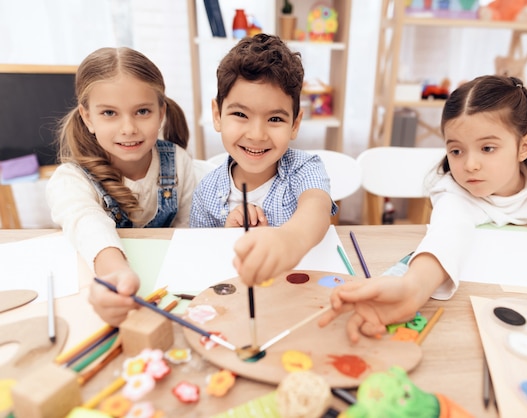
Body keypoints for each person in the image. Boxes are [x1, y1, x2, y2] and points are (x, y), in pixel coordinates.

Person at [319, 75, 527, 342]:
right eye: (456, 150)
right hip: (486, 305)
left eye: (488, 148)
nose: (470, 164)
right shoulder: (454, 191)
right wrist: (412, 289)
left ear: (524, 146)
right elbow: (446, 236)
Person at [46, 47, 197, 326]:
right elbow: (86, 222)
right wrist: (114, 273)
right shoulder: (71, 179)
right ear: (88, 117)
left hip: (174, 296)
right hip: (111, 295)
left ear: (161, 112)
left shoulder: (178, 163)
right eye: (109, 113)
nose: (128, 128)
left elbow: (190, 232)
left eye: (142, 111)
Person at [190, 33, 337, 285]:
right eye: (240, 114)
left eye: (275, 119)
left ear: (295, 124)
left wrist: (288, 240)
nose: (257, 135)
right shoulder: (206, 191)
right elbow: (200, 256)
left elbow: (317, 208)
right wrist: (227, 240)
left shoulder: (304, 168)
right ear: (217, 115)